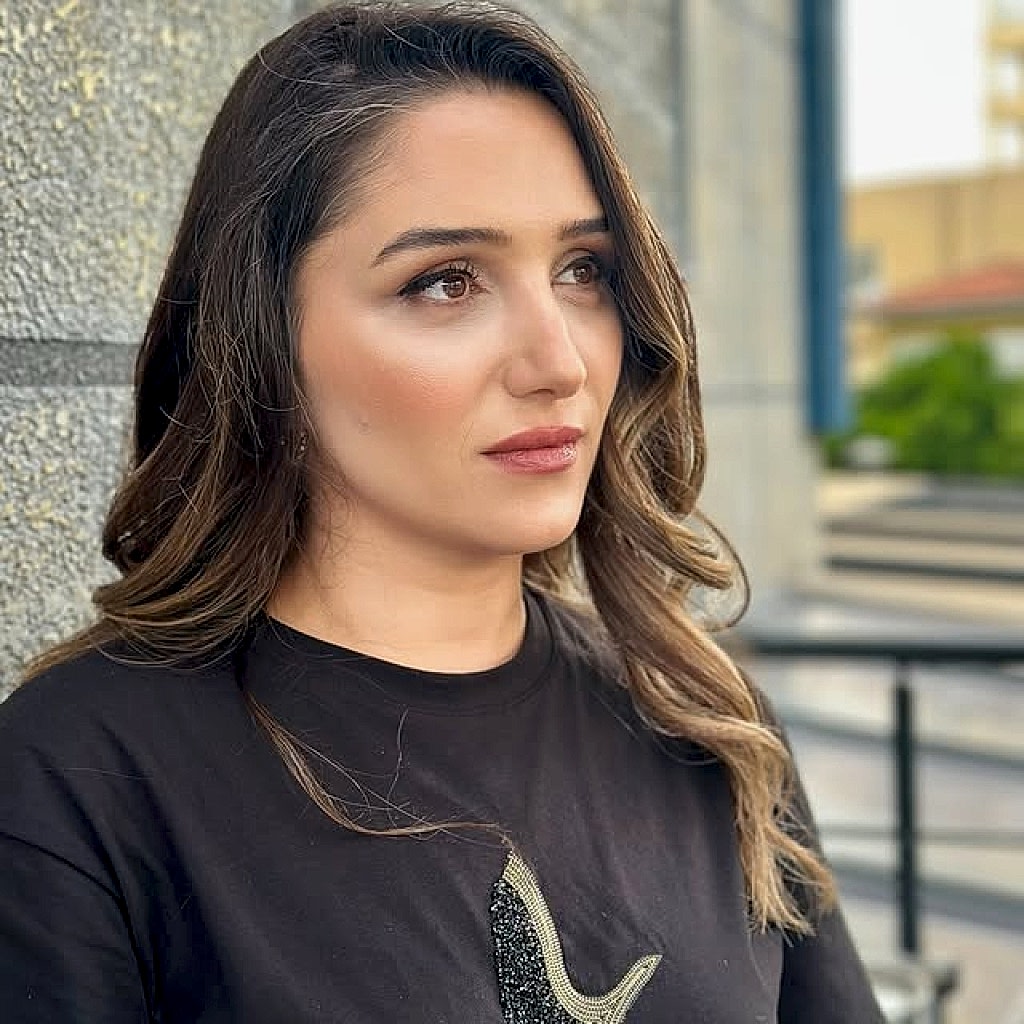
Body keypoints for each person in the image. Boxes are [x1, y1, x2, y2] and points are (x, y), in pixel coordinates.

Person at [0, 3, 885, 1021]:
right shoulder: (78, 781)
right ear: (262, 335)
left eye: (582, 270)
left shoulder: (704, 722)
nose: (559, 361)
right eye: (446, 282)